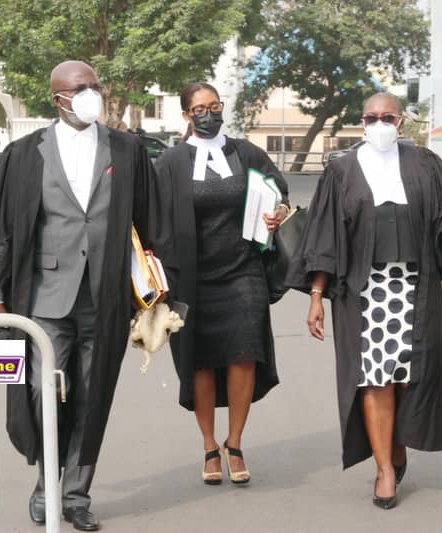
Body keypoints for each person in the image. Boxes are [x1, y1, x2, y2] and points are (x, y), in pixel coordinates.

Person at [0, 60, 158, 531]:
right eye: (80, 88)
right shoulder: (24, 154)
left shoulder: (127, 148)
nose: (90, 94)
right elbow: (6, 233)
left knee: (92, 395)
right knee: (43, 390)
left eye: (95, 86)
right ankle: (46, 481)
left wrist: (156, 297)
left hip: (106, 295)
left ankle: (75, 495)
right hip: (44, 296)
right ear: (57, 98)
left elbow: (148, 224)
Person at [286, 92, 442, 509]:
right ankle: (384, 470)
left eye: (387, 116)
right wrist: (317, 295)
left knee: (409, 376)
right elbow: (325, 239)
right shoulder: (341, 170)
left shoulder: (425, 165)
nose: (378, 123)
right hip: (363, 292)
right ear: (362, 121)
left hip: (416, 289)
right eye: (370, 117)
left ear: (401, 123)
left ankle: (397, 443)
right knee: (373, 377)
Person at [152, 82, 289, 486]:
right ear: (186, 115)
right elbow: (152, 212)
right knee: (201, 362)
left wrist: (276, 212)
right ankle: (210, 445)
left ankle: (236, 442)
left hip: (242, 270)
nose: (208, 113)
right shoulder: (172, 162)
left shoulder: (245, 152)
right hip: (190, 278)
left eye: (214, 106)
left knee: (245, 354)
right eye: (199, 108)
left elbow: (277, 189)